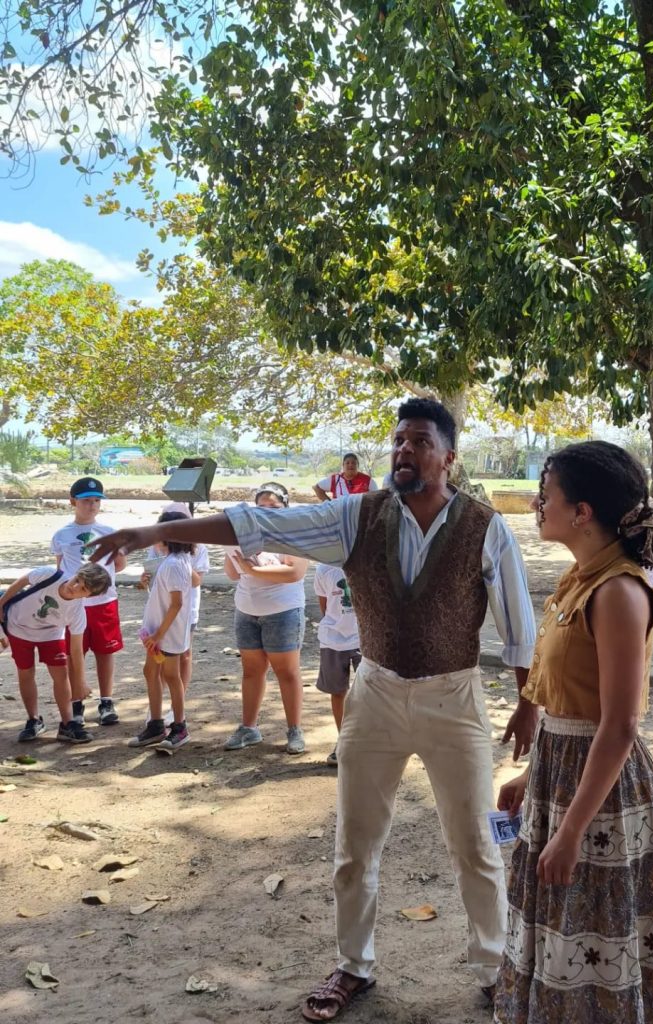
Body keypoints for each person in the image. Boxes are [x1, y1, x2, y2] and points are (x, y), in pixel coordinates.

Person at [87, 397, 537, 1021]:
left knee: (475, 845)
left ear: (448, 458)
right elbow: (260, 526)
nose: (403, 451)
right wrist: (157, 532)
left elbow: (520, 626)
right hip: (375, 693)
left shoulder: (486, 527)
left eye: (418, 442)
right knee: (355, 844)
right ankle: (354, 966)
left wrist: (527, 702)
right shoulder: (357, 516)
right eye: (398, 441)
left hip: (453, 697)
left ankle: (494, 968)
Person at [493, 440, 653, 1023]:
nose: (535, 505)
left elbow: (619, 725)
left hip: (602, 796)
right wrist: (533, 772)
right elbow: (570, 699)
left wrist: (570, 831)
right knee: (562, 929)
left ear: (582, 512)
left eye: (545, 496)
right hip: (563, 778)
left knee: (596, 933)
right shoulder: (578, 579)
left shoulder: (617, 591)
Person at [223, 482, 310, 755]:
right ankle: (249, 727)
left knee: (287, 672)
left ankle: (294, 730)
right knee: (251, 671)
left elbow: (295, 572)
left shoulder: (294, 533)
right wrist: (233, 554)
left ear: (285, 507)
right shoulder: (246, 533)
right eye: (262, 507)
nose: (268, 511)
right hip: (247, 609)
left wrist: (255, 570)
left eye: (274, 506)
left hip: (283, 612)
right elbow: (234, 573)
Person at [0, 562, 109, 743]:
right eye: (76, 580)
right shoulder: (49, 575)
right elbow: (21, 582)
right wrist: (1, 604)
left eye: (82, 589)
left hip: (51, 634)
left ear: (88, 596)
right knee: (25, 672)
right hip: (18, 627)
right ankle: (33, 719)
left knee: (61, 674)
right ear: (74, 573)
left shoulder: (77, 612)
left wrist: (80, 682)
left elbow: (75, 649)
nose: (74, 587)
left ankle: (67, 724)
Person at [50, 476, 127, 726]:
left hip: (104, 602)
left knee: (105, 652)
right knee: (75, 653)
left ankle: (106, 701)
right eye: (86, 500)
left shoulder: (109, 532)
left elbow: (119, 564)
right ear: (73, 501)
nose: (92, 505)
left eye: (96, 501)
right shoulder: (62, 534)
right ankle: (76, 703)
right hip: (74, 605)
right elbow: (60, 569)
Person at [129, 511, 196, 751]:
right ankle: (156, 724)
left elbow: (177, 603)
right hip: (158, 631)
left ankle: (180, 726)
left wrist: (158, 634)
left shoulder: (175, 564)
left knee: (171, 676)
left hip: (166, 633)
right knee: (151, 671)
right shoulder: (174, 561)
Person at [313, 561, 360, 766]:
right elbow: (324, 607)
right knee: (337, 690)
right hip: (333, 639)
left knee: (373, 690)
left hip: (365, 637)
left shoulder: (365, 561)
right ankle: (344, 741)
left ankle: (369, 741)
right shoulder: (324, 569)